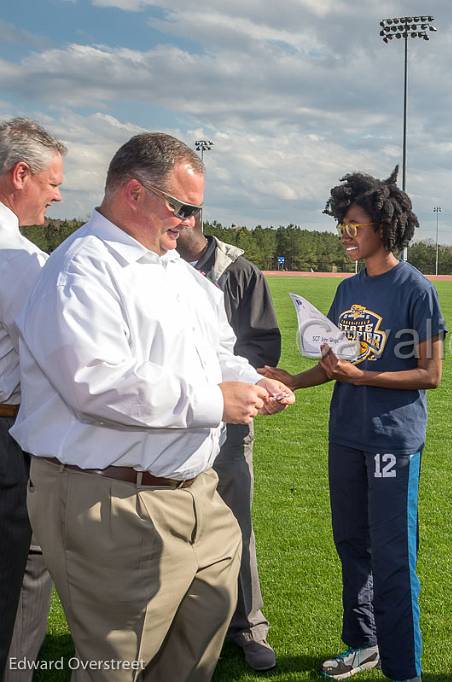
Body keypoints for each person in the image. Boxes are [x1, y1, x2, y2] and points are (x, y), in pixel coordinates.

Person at [11, 132, 294, 680]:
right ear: (133, 193)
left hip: (197, 495)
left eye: (195, 210)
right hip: (113, 498)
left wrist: (251, 383)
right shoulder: (82, 268)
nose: (188, 222)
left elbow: (218, 352)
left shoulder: (177, 273)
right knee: (117, 665)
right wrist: (214, 401)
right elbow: (95, 384)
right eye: (179, 206)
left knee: (195, 652)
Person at [258, 167, 444, 682]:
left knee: (392, 554)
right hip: (345, 434)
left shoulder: (415, 289)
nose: (345, 233)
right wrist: (293, 380)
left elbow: (430, 374)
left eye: (354, 224)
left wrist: (364, 376)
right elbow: (334, 363)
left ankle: (403, 669)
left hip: (392, 441)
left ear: (383, 227)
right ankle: (363, 644)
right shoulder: (346, 288)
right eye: (342, 223)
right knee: (351, 544)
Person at [175, 210, 282, 671]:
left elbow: (262, 347)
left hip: (230, 422)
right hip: (171, 422)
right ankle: (179, 626)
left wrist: (221, 386)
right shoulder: (149, 266)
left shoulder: (238, 272)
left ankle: (248, 626)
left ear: (191, 216)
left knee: (236, 522)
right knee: (172, 526)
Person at [0, 117, 64, 680]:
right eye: (51, 181)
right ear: (20, 174)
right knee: (21, 573)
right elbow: (57, 364)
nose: (58, 193)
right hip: (8, 438)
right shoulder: (18, 260)